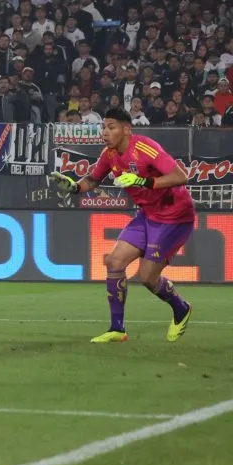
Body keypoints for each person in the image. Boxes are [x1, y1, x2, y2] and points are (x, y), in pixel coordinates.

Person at [50, 107, 195, 344]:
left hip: (173, 215)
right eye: (103, 127)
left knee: (148, 277)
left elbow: (181, 176)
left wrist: (141, 180)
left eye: (111, 127)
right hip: (147, 214)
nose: (104, 132)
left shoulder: (145, 147)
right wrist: (74, 187)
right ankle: (117, 329)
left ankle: (181, 308)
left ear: (127, 129)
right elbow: (93, 180)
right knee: (114, 261)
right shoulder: (109, 154)